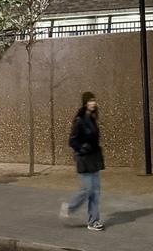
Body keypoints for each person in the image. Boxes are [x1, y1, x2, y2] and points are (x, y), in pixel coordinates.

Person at [60, 91, 105, 231]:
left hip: (94, 158)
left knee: (96, 191)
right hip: (84, 158)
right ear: (85, 103)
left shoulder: (92, 119)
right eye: (90, 100)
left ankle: (93, 221)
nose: (93, 103)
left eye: (94, 100)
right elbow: (72, 141)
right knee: (87, 189)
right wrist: (82, 148)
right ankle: (69, 207)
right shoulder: (80, 120)